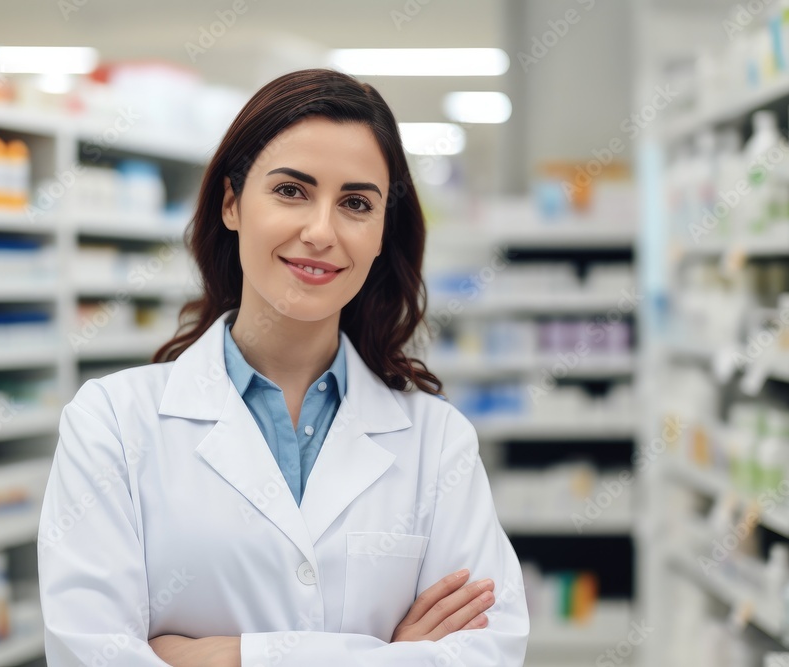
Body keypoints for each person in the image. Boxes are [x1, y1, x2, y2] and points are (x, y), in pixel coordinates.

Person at [37, 67, 529, 666]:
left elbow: (488, 653)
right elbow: (88, 654)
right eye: (291, 191)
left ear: (380, 234)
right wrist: (386, 655)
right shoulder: (112, 424)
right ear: (231, 203)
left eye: (355, 203)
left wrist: (227, 657)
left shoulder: (437, 442)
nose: (320, 232)